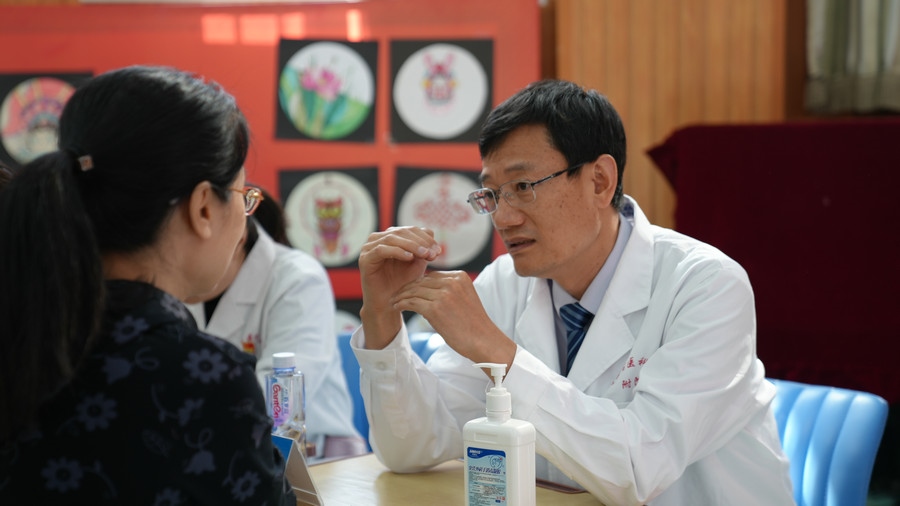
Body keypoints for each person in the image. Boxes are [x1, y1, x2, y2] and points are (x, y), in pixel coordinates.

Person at [351, 79, 794, 505]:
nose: (503, 218)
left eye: (523, 187)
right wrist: (382, 317)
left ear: (599, 181)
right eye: (492, 194)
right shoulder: (503, 284)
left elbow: (639, 469)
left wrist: (495, 350)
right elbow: (413, 447)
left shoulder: (706, 285)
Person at [0, 65, 295, 505]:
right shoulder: (204, 379)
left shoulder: (24, 335)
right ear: (203, 207)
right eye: (243, 197)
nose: (244, 221)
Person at [186, 192, 366, 461]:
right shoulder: (179, 284)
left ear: (237, 235)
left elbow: (276, 406)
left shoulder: (299, 279)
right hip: (216, 451)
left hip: (316, 460)